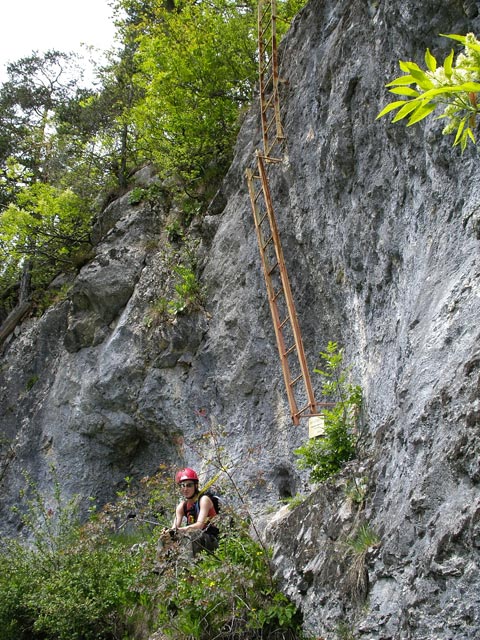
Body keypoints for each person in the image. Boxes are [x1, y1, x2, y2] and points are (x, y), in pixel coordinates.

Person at [164, 467, 219, 558]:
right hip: (197, 541)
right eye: (182, 485)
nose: (185, 489)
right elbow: (174, 528)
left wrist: (180, 530)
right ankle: (161, 568)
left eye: (189, 485)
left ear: (196, 486)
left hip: (211, 539)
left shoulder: (204, 500)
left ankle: (190, 567)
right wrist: (168, 533)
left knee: (192, 534)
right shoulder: (182, 507)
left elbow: (199, 526)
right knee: (166, 538)